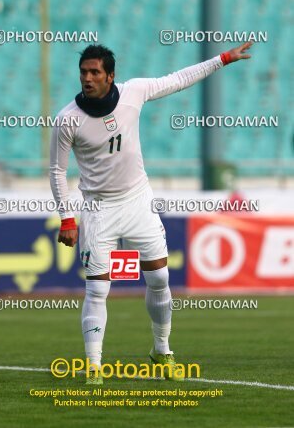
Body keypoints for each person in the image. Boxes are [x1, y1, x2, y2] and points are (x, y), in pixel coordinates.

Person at [49, 42, 253, 384]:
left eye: (95, 72)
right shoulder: (67, 119)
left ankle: (162, 350)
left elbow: (178, 79)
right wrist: (67, 218)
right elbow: (57, 171)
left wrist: (222, 59)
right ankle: (94, 368)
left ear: (110, 76)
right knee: (98, 289)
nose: (87, 78)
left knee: (159, 278)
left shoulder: (134, 93)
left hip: (137, 200)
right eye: (84, 72)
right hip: (98, 208)